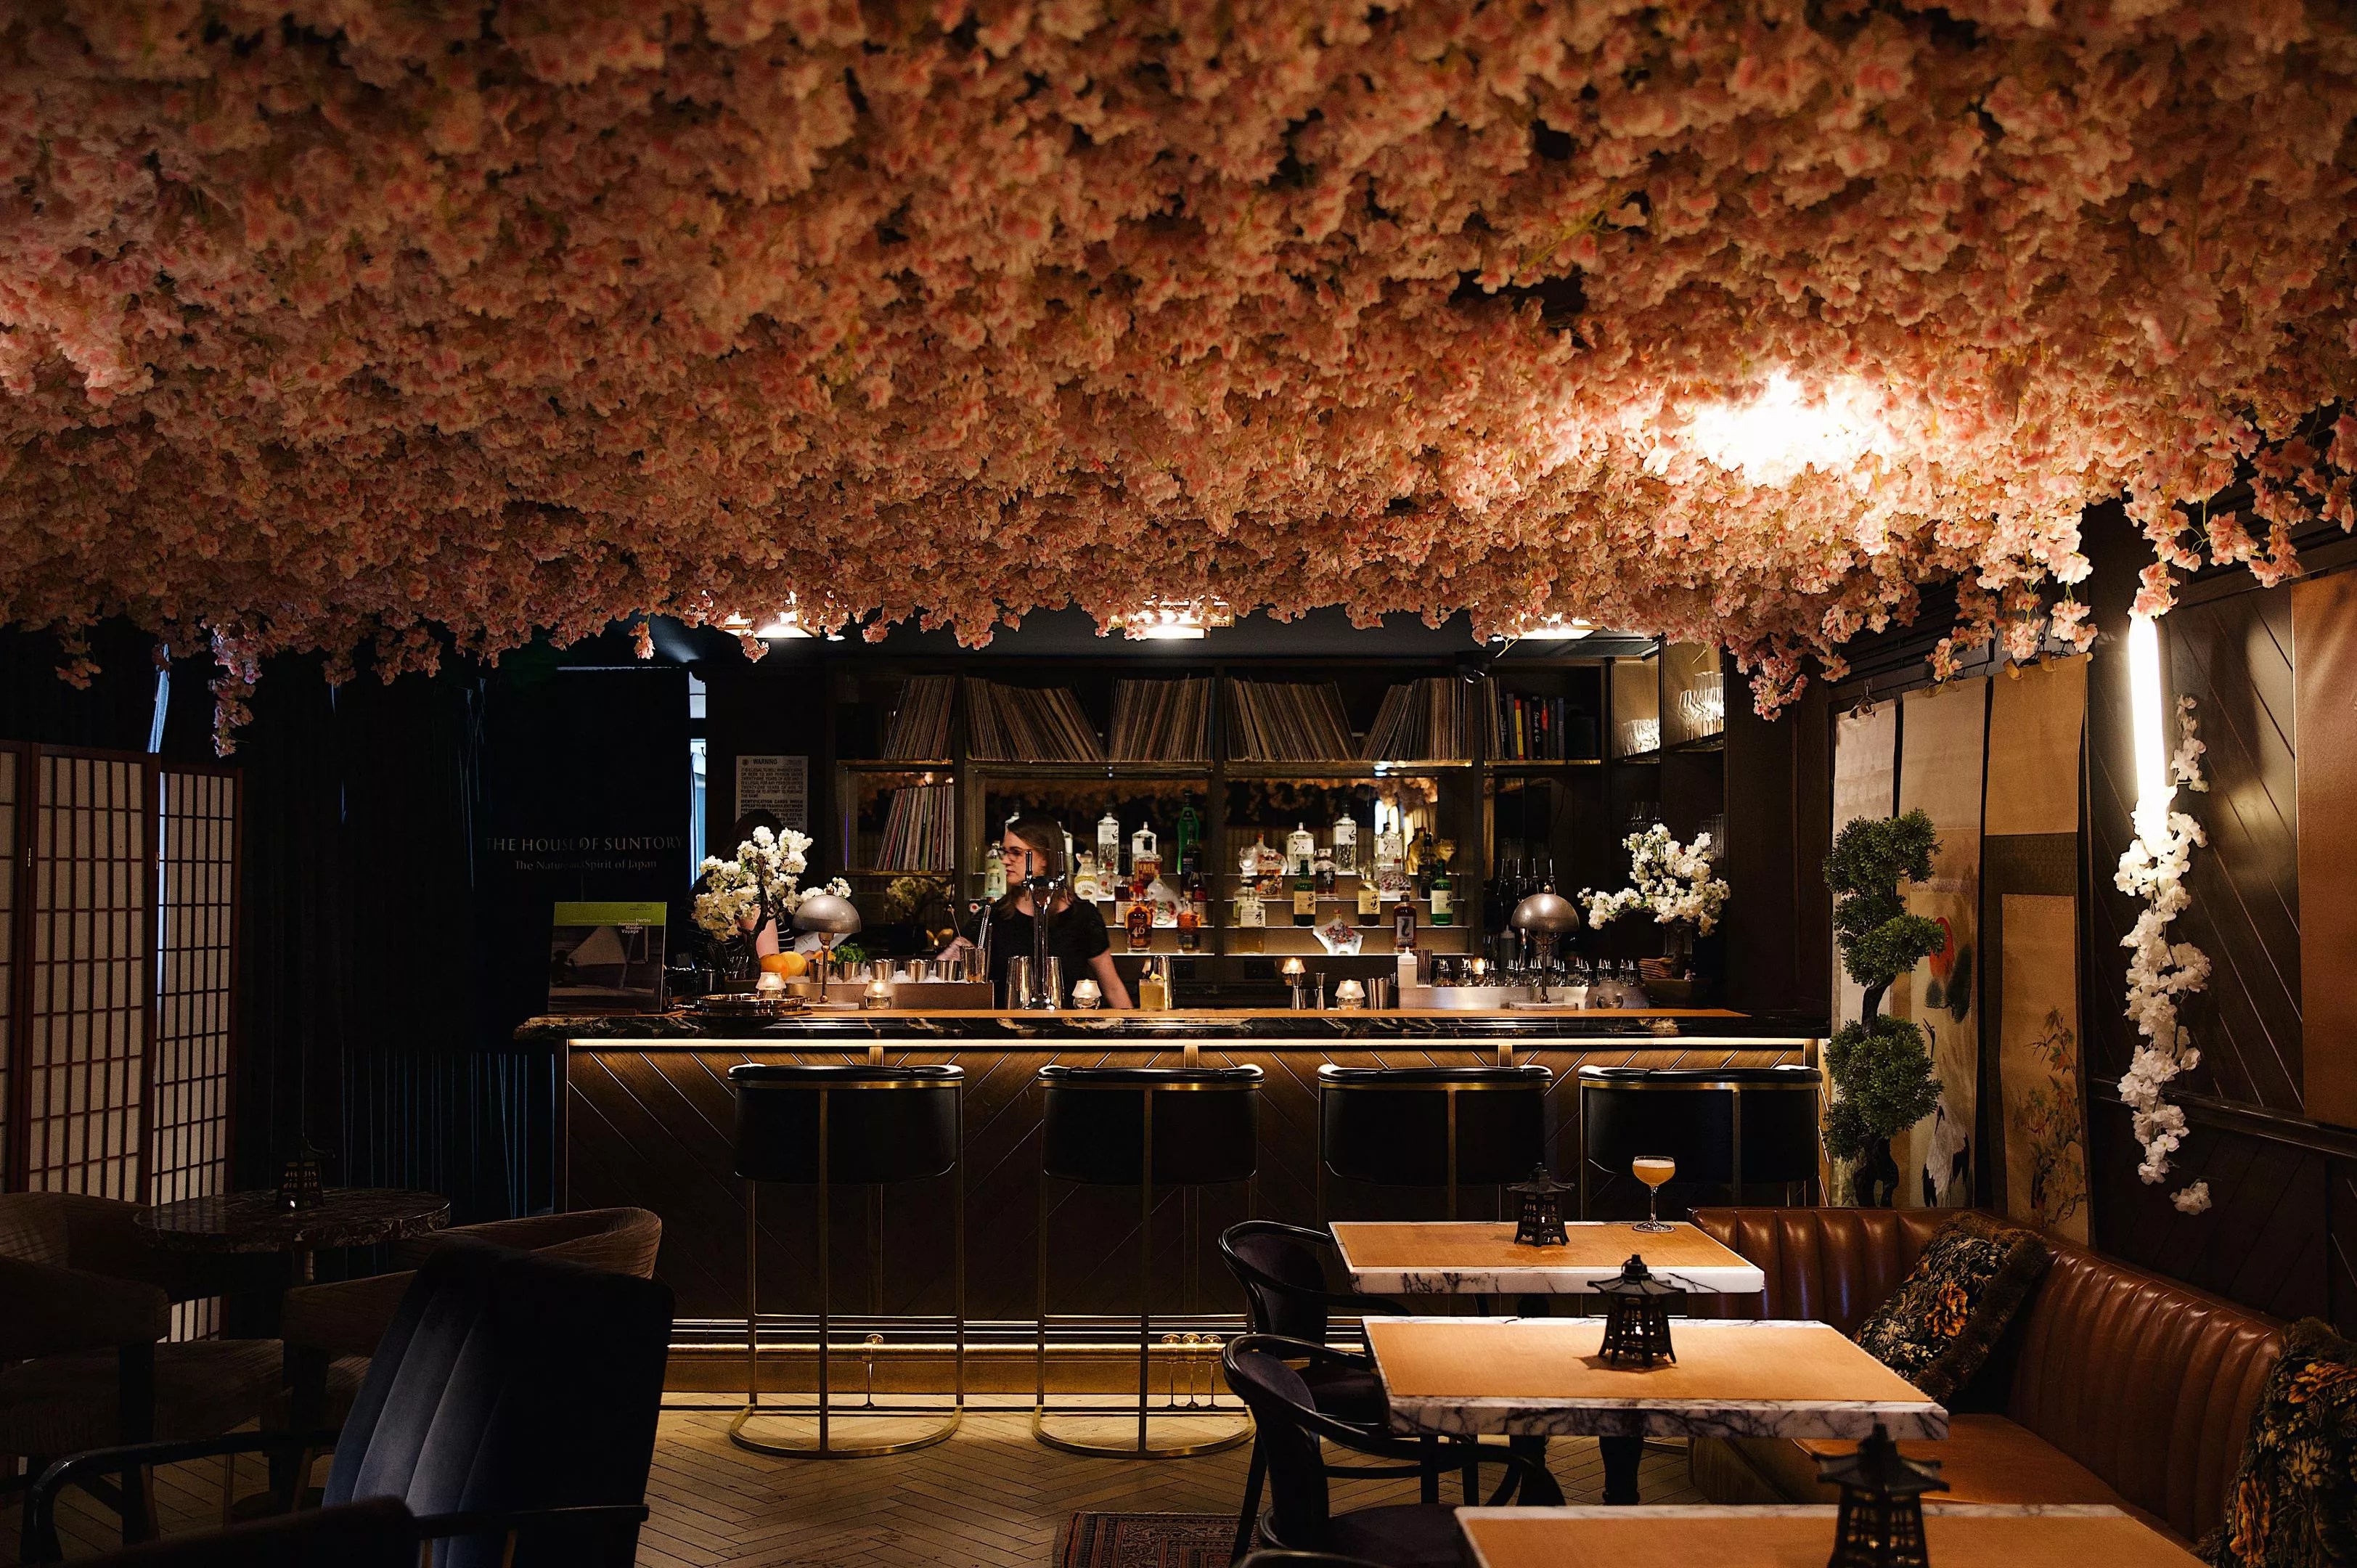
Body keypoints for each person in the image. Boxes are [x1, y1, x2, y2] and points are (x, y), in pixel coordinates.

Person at [968, 814, 1132, 1008]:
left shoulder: (1083, 917)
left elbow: (1112, 987)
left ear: (1045, 858)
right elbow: (956, 971)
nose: (1005, 860)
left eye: (1016, 853)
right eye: (1005, 852)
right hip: (1006, 1034)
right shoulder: (992, 916)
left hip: (1069, 1034)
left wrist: (1135, 1035)